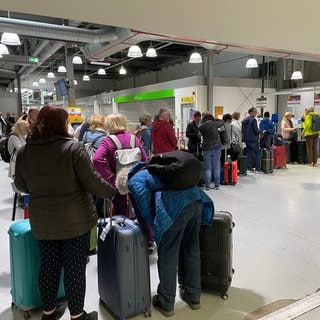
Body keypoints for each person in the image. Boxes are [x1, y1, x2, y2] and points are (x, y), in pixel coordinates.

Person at [14, 105, 116, 320]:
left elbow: (22, 185)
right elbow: (92, 182)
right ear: (60, 124)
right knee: (74, 269)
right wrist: (112, 191)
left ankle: (49, 312)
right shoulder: (73, 149)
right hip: (75, 222)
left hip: (43, 222)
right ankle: (78, 316)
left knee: (48, 266)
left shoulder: (25, 151)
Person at [127, 163, 214, 317]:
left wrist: (157, 230)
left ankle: (166, 302)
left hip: (176, 206)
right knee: (192, 249)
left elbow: (146, 211)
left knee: (168, 254)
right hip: (196, 199)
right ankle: (193, 297)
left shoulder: (134, 182)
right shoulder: (155, 168)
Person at [93, 113, 148, 215]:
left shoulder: (107, 141)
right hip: (135, 178)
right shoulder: (134, 138)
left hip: (117, 180)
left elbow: (96, 159)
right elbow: (144, 159)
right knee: (140, 210)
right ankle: (146, 230)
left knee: (120, 210)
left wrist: (108, 175)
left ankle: (124, 228)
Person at [198, 113, 224, 190]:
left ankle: (207, 186)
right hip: (216, 147)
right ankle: (217, 185)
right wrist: (215, 118)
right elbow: (222, 121)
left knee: (208, 168)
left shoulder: (201, 127)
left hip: (206, 148)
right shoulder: (214, 124)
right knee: (216, 167)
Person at [241, 107, 262, 173]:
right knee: (258, 153)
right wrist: (261, 131)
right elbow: (255, 131)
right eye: (255, 111)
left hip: (247, 139)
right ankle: (257, 168)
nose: (256, 113)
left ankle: (248, 168)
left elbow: (242, 130)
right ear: (250, 112)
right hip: (254, 140)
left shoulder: (244, 120)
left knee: (248, 153)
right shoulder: (253, 120)